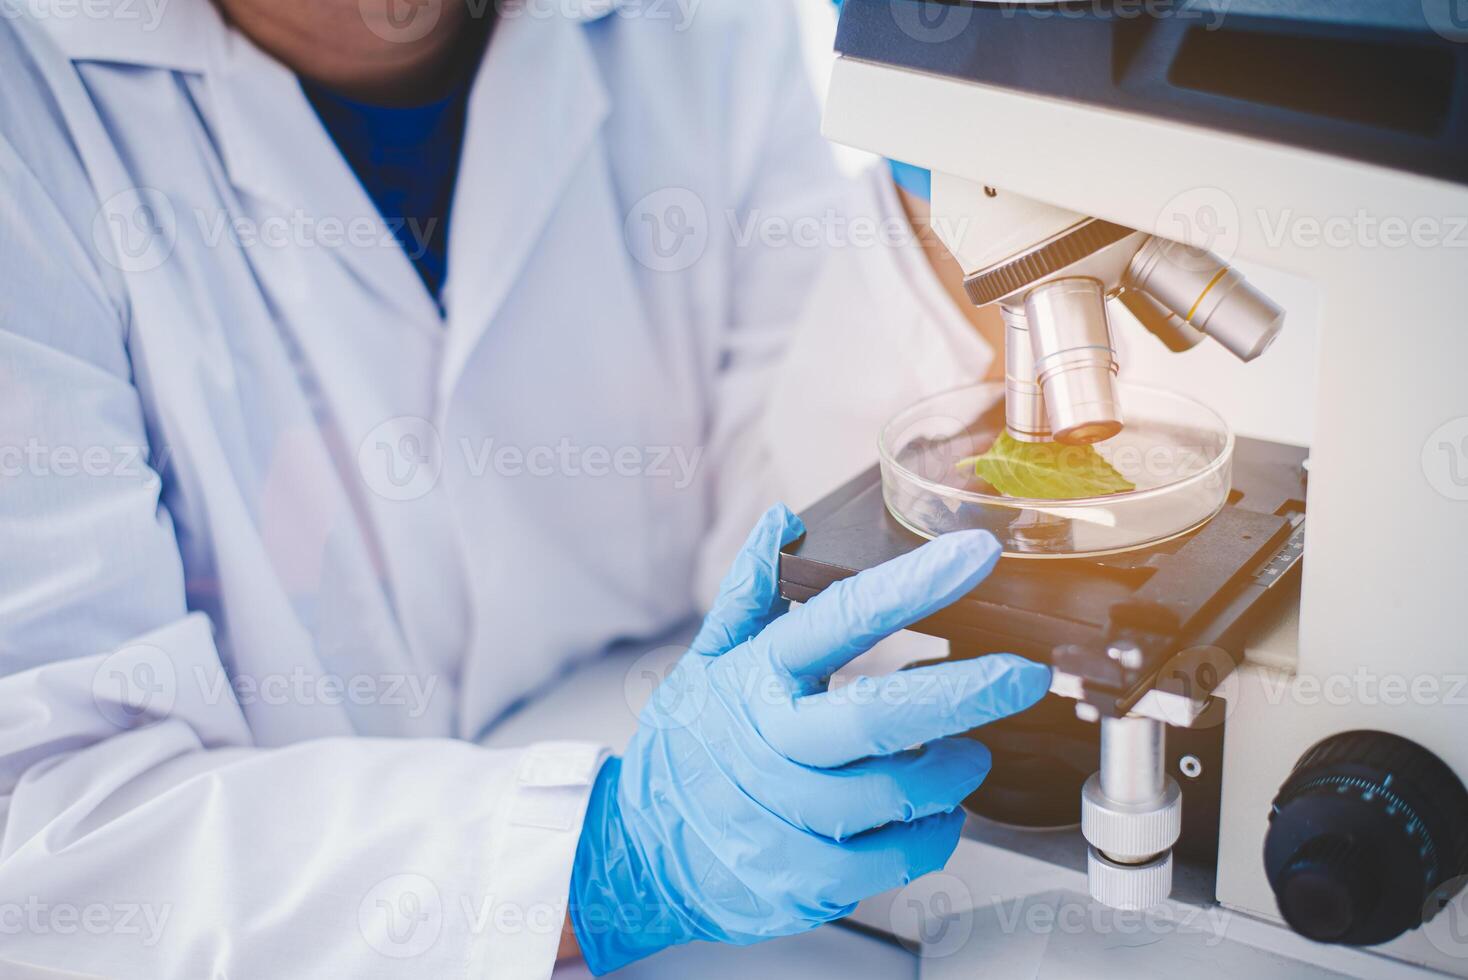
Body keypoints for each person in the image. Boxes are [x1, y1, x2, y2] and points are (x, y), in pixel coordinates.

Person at [0, 0, 1046, 975]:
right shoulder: (27, 107)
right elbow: (47, 833)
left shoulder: (698, 24)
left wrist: (950, 184)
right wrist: (601, 850)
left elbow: (775, 529)